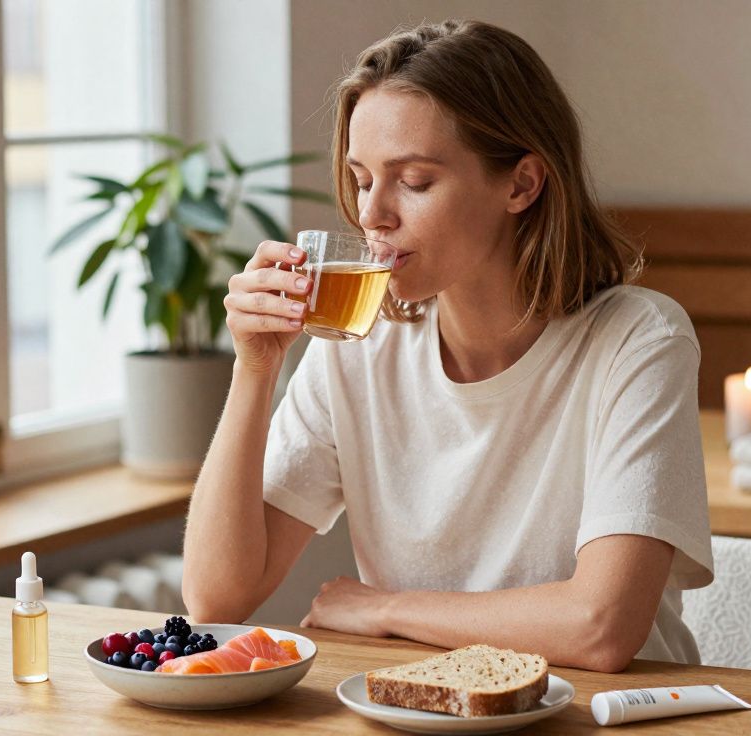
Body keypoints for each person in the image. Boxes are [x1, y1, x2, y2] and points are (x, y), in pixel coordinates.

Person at [182, 19, 713, 672]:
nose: (372, 213)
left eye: (414, 181)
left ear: (522, 184)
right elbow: (214, 596)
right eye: (361, 177)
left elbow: (600, 628)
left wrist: (385, 609)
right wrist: (254, 369)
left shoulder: (636, 341)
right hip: (421, 708)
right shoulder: (357, 344)